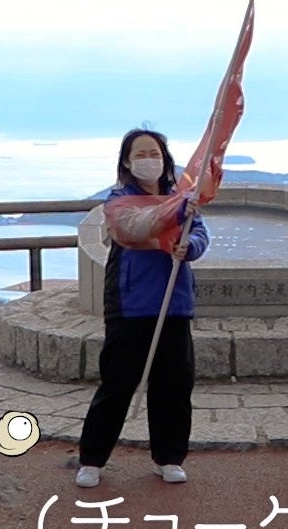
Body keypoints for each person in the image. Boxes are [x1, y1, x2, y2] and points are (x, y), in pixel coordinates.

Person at [74, 128, 210, 488]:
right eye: (141, 154)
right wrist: (178, 216)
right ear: (126, 162)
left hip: (174, 302)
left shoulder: (182, 198)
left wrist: (189, 246)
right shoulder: (120, 200)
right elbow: (133, 229)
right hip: (131, 304)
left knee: (174, 385)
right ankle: (92, 458)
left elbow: (199, 234)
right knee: (118, 383)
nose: (150, 161)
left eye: (156, 154)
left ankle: (168, 456)